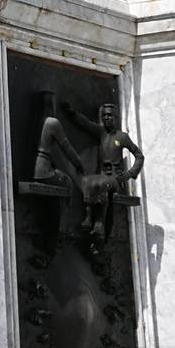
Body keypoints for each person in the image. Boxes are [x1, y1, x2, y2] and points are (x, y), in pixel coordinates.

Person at [64, 100, 144, 245]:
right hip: (102, 176)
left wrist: (131, 173)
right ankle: (88, 218)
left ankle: (100, 222)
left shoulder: (122, 137)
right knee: (87, 181)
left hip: (116, 178)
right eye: (104, 116)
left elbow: (139, 156)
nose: (106, 118)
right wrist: (73, 113)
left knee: (103, 184)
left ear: (115, 118)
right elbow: (86, 124)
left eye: (109, 115)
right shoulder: (101, 133)